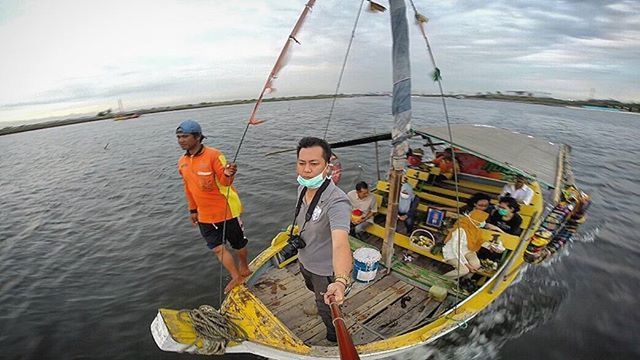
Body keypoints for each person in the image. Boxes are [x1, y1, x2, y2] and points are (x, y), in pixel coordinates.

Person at [176, 120, 251, 294]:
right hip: (204, 215)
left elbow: (225, 181)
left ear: (197, 137)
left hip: (226, 210)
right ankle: (236, 276)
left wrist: (228, 173)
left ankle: (244, 267)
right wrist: (192, 210)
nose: (181, 140)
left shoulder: (214, 155)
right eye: (179, 137)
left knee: (238, 244)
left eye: (185, 136)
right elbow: (188, 188)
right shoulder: (182, 162)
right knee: (217, 248)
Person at [294, 137, 353, 343]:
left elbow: (340, 243)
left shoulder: (337, 201)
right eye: (302, 163)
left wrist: (340, 281)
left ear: (327, 166)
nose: (306, 170)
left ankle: (333, 335)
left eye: (314, 163)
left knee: (325, 305)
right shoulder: (301, 188)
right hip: (304, 260)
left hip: (323, 269)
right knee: (313, 290)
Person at [442, 209, 490, 279]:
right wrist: (467, 265)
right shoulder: (460, 230)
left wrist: (490, 246)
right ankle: (442, 279)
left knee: (476, 265)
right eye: (481, 221)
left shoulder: (475, 229)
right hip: (452, 252)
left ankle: (464, 282)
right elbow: (456, 250)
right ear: (475, 220)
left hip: (467, 250)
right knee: (464, 270)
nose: (483, 223)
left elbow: (479, 241)